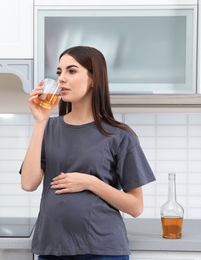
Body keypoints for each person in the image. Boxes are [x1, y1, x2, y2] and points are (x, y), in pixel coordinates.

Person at [20, 46, 156, 260]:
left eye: (71, 71)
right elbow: (28, 183)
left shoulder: (120, 136)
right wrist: (40, 121)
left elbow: (136, 207)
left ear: (94, 78)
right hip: (51, 248)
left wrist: (90, 183)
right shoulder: (49, 129)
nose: (61, 79)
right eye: (59, 72)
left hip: (101, 250)